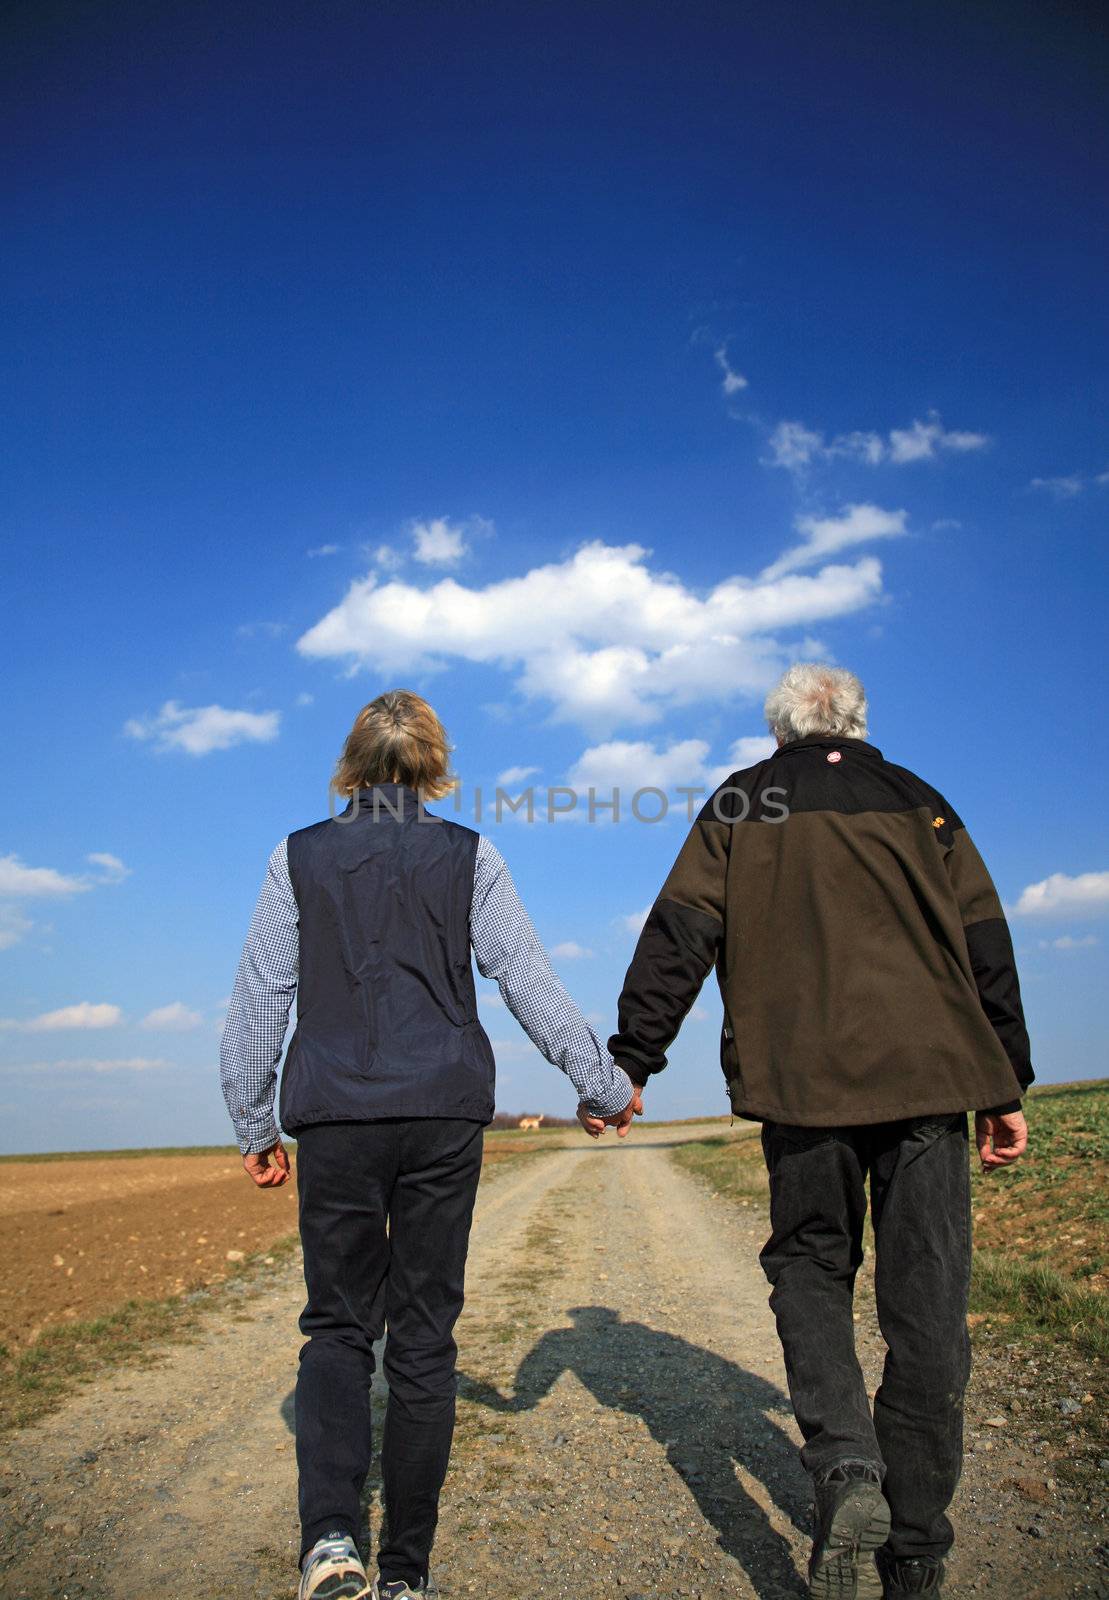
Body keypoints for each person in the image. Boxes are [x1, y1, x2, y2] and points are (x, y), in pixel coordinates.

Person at [600, 663, 1032, 1599]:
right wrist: (1007, 1082)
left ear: (781, 728)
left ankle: (845, 1467)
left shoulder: (741, 802)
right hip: (931, 1081)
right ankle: (914, 1548)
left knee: (809, 1266)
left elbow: (680, 931)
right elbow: (985, 939)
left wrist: (631, 1059)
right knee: (926, 1299)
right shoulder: (922, 803)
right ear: (858, 721)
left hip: (802, 1085)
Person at [219, 690, 638, 1600]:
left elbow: (259, 1000)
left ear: (352, 762)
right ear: (432, 764)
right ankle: (406, 1572)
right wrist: (599, 1084)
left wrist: (253, 1122)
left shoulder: (296, 857)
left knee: (335, 1326)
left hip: (333, 1115)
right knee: (423, 1336)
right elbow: (528, 979)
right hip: (444, 1114)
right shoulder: (470, 856)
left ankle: (330, 1544)